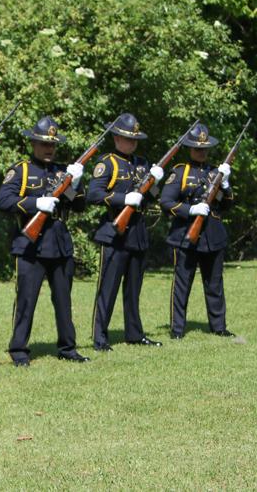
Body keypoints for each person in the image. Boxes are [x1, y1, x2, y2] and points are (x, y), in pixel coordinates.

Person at [0, 116, 90, 366]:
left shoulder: (63, 171)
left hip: (59, 244)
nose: (49, 148)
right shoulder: (21, 170)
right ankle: (19, 350)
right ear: (33, 143)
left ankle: (68, 347)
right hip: (30, 246)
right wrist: (35, 203)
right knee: (26, 300)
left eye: (52, 144)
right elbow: (4, 200)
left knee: (63, 300)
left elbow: (79, 205)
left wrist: (77, 184)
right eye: (43, 143)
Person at [86, 113, 164, 351]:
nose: (131, 143)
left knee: (133, 289)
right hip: (114, 232)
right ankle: (100, 337)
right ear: (117, 138)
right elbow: (93, 194)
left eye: (134, 140)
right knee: (108, 288)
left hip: (137, 233)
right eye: (127, 139)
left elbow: (151, 198)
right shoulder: (107, 162)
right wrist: (123, 198)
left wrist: (155, 183)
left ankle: (134, 333)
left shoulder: (142, 163)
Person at [159, 123, 235, 339]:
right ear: (190, 148)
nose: (201, 152)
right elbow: (166, 201)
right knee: (182, 285)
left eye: (204, 148)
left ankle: (219, 326)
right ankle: (177, 329)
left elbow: (228, 204)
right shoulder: (180, 172)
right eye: (197, 148)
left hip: (213, 236)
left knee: (215, 284)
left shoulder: (216, 173)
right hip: (186, 235)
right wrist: (190, 209)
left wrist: (226, 184)